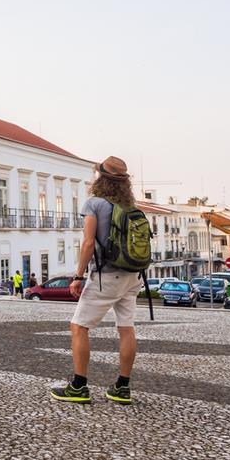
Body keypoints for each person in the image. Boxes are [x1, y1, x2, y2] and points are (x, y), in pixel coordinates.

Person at [51, 156, 142, 406]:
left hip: (108, 274)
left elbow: (89, 243)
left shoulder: (94, 204)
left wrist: (78, 276)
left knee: (79, 327)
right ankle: (122, 388)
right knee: (126, 327)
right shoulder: (131, 206)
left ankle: (79, 387)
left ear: (100, 178)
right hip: (133, 274)